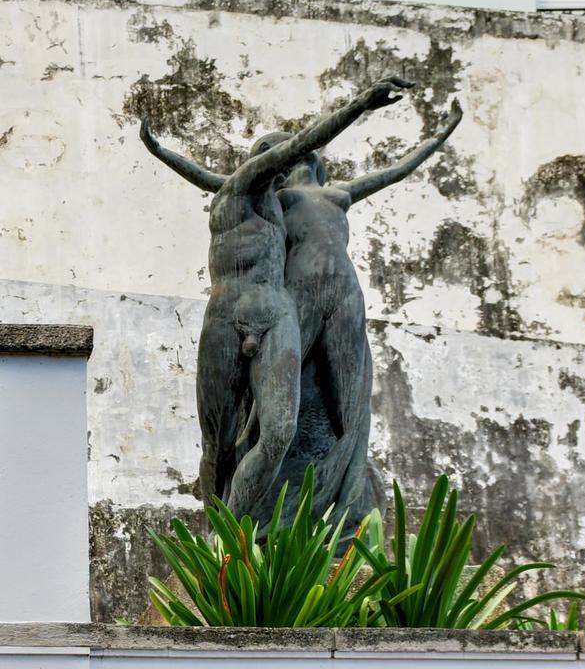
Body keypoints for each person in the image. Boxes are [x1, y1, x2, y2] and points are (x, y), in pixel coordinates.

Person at [136, 79, 400, 518]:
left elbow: (373, 180)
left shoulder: (284, 204)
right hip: (230, 315)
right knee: (219, 443)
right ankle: (219, 532)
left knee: (278, 433)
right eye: (280, 156)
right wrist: (363, 103)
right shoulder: (241, 187)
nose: (289, 164)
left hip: (278, 315)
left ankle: (241, 525)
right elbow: (211, 173)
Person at [276, 88, 460, 523]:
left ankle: (346, 484)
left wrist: (441, 135)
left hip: (345, 293)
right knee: (287, 384)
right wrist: (158, 150)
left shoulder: (338, 194)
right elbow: (217, 184)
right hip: (298, 293)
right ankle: (282, 482)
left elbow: (397, 170)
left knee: (349, 394)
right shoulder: (276, 198)